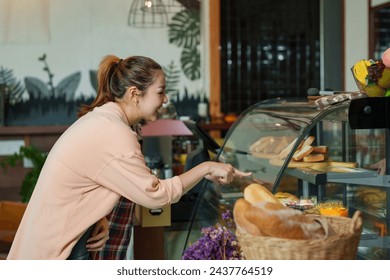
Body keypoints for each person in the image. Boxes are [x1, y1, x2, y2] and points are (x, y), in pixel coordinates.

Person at [7, 55, 251, 259]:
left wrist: (94, 215)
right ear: (135, 93)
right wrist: (206, 167)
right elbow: (156, 196)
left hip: (66, 238)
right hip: (59, 251)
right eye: (160, 92)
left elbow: (83, 180)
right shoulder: (114, 132)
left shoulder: (103, 120)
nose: (165, 99)